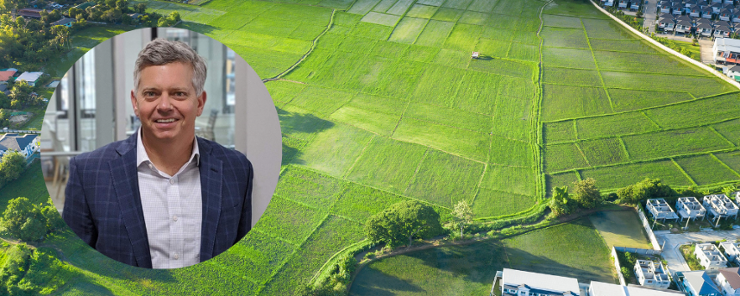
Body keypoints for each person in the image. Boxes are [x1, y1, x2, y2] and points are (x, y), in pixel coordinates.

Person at [63, 39, 253, 269]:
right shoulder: (88, 173)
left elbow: (240, 265)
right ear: (135, 102)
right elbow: (74, 267)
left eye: (178, 94)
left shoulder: (237, 170)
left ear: (200, 103)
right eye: (152, 94)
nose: (164, 105)